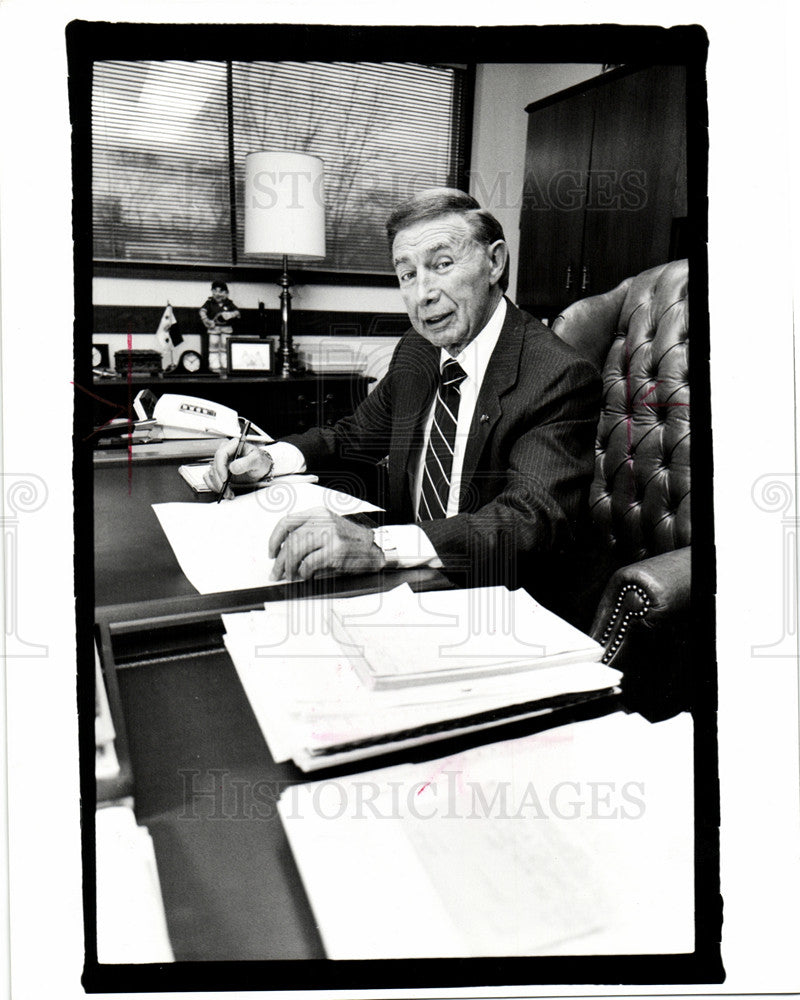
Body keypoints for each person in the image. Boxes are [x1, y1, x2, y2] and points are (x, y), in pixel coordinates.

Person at [205, 188, 601, 615]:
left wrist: (380, 545)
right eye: (407, 274)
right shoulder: (419, 348)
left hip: (498, 601)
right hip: (406, 584)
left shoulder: (557, 374)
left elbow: (529, 519)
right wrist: (269, 459)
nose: (421, 294)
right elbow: (354, 435)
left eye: (442, 264)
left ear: (495, 262)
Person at [199, 280, 241, 372]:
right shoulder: (209, 302)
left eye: (221, 291)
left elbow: (237, 313)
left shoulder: (229, 303)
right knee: (213, 345)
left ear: (226, 293)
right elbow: (202, 311)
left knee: (225, 345)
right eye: (215, 291)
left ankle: (225, 363)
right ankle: (214, 364)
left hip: (226, 329)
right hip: (214, 328)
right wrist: (206, 320)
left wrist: (230, 314)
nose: (218, 294)